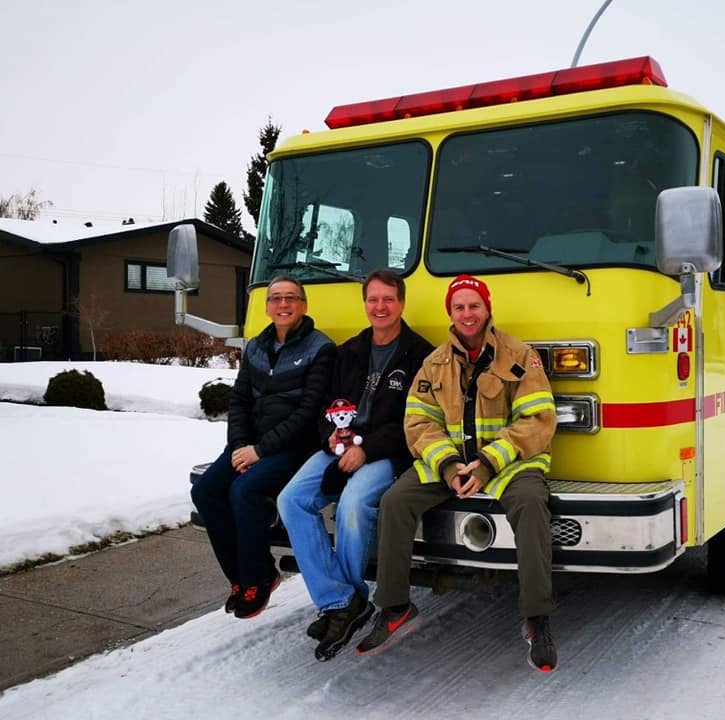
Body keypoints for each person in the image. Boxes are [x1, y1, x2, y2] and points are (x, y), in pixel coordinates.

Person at [356, 274, 559, 672]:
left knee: (533, 505)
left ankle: (537, 619)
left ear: (487, 309)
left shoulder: (520, 356)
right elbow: (417, 422)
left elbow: (538, 419)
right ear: (450, 313)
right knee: (395, 501)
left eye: (474, 306)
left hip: (508, 466)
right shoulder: (434, 363)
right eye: (459, 307)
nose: (467, 314)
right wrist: (448, 465)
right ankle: (394, 605)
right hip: (450, 465)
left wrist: (487, 464)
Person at [277, 269, 433, 661]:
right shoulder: (348, 352)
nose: (380, 307)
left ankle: (344, 605)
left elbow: (416, 422)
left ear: (401, 303)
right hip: (338, 449)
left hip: (386, 454)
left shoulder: (421, 355)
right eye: (373, 300)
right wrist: (329, 435)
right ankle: (342, 600)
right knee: (291, 500)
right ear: (364, 304)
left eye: (388, 299)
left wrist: (366, 449)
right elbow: (325, 409)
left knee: (351, 506)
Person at [191, 276, 335, 620]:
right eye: (276, 299)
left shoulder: (320, 348)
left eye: (290, 298)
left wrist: (260, 451)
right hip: (251, 443)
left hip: (295, 447)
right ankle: (240, 579)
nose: (283, 305)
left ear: (303, 305)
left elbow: (308, 413)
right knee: (206, 492)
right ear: (267, 306)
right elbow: (239, 400)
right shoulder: (256, 346)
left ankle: (260, 577)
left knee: (245, 491)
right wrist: (240, 446)